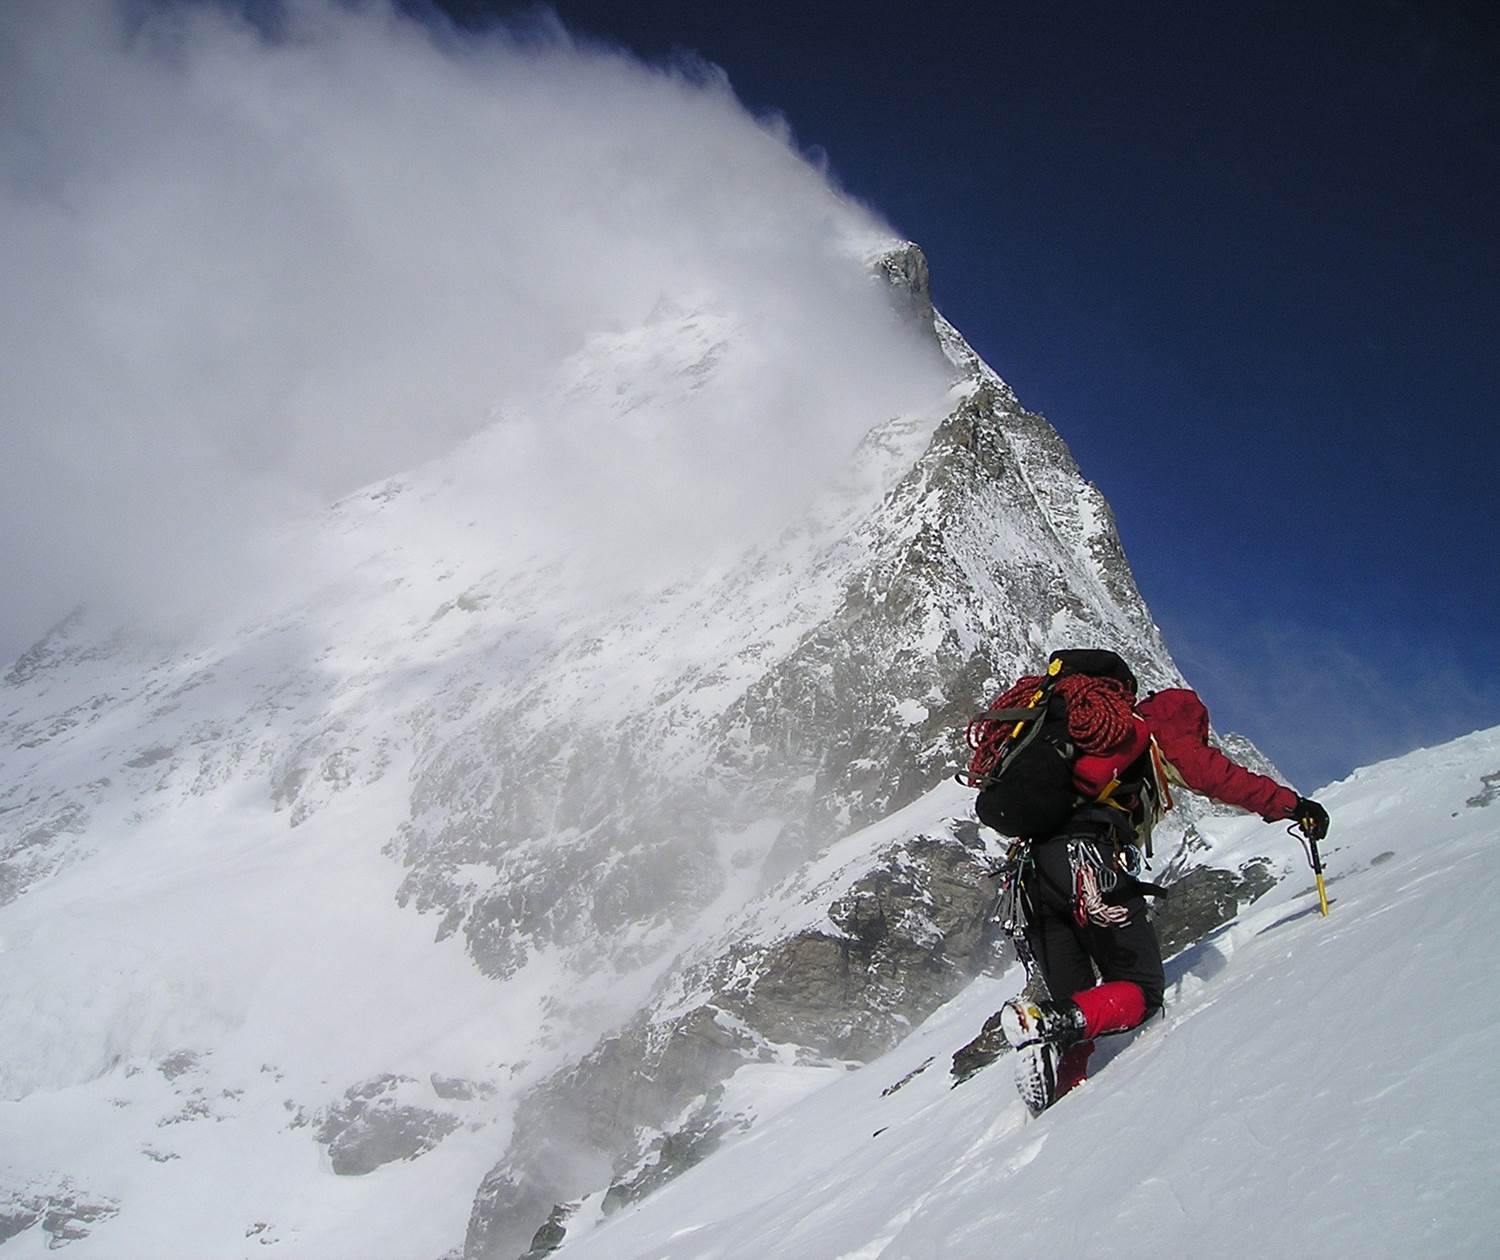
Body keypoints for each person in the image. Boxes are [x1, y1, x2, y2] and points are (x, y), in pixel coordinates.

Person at [974, 651, 1330, 1114]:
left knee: (1078, 1002)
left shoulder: (1068, 735)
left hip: (1029, 880)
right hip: (1085, 862)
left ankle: (1061, 1102)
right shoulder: (1153, 724)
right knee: (1140, 990)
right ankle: (1044, 1024)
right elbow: (1218, 778)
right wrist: (1292, 806)